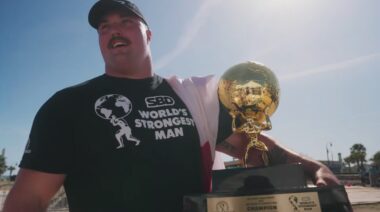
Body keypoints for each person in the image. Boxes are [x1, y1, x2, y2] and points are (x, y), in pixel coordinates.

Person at [3, 0, 340, 211]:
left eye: (125, 22)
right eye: (104, 27)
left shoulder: (194, 97)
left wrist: (316, 169)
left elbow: (253, 145)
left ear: (148, 35)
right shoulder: (66, 106)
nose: (113, 31)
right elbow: (28, 199)